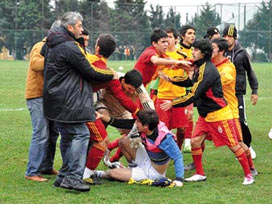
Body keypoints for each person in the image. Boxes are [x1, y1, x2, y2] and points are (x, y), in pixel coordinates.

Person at [160, 39, 254, 185]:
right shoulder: (199, 66)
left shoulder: (209, 70)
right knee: (195, 141)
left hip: (219, 115)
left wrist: (173, 103)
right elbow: (189, 81)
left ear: (203, 53)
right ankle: (199, 173)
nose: (193, 52)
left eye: (196, 50)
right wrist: (171, 79)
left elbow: (193, 94)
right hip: (205, 115)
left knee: (234, 145)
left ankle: (248, 175)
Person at [43, 12, 114, 192]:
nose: (82, 30)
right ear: (70, 28)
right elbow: (90, 72)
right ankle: (73, 177)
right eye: (80, 27)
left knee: (67, 137)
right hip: (69, 100)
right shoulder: (69, 47)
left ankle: (63, 176)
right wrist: (111, 74)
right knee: (81, 134)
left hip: (56, 99)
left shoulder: (52, 43)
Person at [94, 109, 185, 187]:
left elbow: (178, 157)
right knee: (123, 141)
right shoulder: (147, 126)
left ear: (146, 126)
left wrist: (179, 179)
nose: (135, 123)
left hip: (153, 173)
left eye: (138, 121)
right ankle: (132, 169)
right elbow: (122, 123)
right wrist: (102, 116)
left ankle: (97, 173)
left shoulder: (165, 138)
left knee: (112, 173)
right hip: (147, 160)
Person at [211, 38, 257, 176]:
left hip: (228, 111)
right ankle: (198, 169)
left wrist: (254, 90)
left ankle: (251, 168)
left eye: (213, 48)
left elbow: (219, 80)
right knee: (196, 140)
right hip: (210, 111)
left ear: (221, 51)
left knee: (237, 142)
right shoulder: (210, 64)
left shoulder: (228, 66)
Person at [24, 20, 61, 182]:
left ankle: (46, 166)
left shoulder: (57, 48)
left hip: (50, 97)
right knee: (41, 133)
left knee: (53, 133)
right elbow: (34, 64)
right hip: (37, 95)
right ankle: (32, 171)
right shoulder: (40, 46)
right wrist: (54, 60)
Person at [223, 24, 259, 159]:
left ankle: (248, 146)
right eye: (225, 36)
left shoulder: (242, 53)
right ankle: (235, 146)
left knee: (241, 120)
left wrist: (254, 90)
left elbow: (250, 72)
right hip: (223, 93)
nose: (227, 39)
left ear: (235, 37)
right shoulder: (221, 51)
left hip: (237, 93)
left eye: (230, 36)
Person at [155, 28, 191, 151]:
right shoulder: (160, 57)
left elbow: (191, 74)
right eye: (165, 39)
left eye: (170, 37)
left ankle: (178, 149)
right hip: (163, 96)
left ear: (176, 39)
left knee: (182, 129)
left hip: (179, 97)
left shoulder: (183, 56)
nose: (168, 41)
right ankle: (163, 152)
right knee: (164, 128)